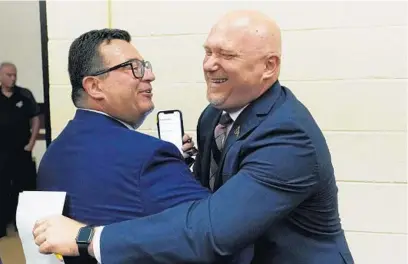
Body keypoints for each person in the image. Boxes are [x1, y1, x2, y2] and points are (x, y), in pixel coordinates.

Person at [33, 10, 354, 264]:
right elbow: (208, 194)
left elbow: (212, 231)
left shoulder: (290, 137)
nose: (209, 64)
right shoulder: (213, 116)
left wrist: (87, 238)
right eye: (208, 51)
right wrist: (177, 166)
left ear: (269, 67)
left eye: (226, 55)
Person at [36, 28, 250, 264]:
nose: (149, 75)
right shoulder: (148, 155)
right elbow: (214, 233)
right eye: (133, 68)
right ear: (94, 87)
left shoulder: (53, 154)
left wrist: (178, 165)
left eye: (144, 65)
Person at [0, 62, 40, 238]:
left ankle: (21, 225)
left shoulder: (24, 95)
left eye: (14, 74)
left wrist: (31, 143)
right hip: (1, 152)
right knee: (2, 188)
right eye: (9, 75)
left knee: (22, 188)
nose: (13, 78)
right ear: (0, 76)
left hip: (21, 150)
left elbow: (36, 118)